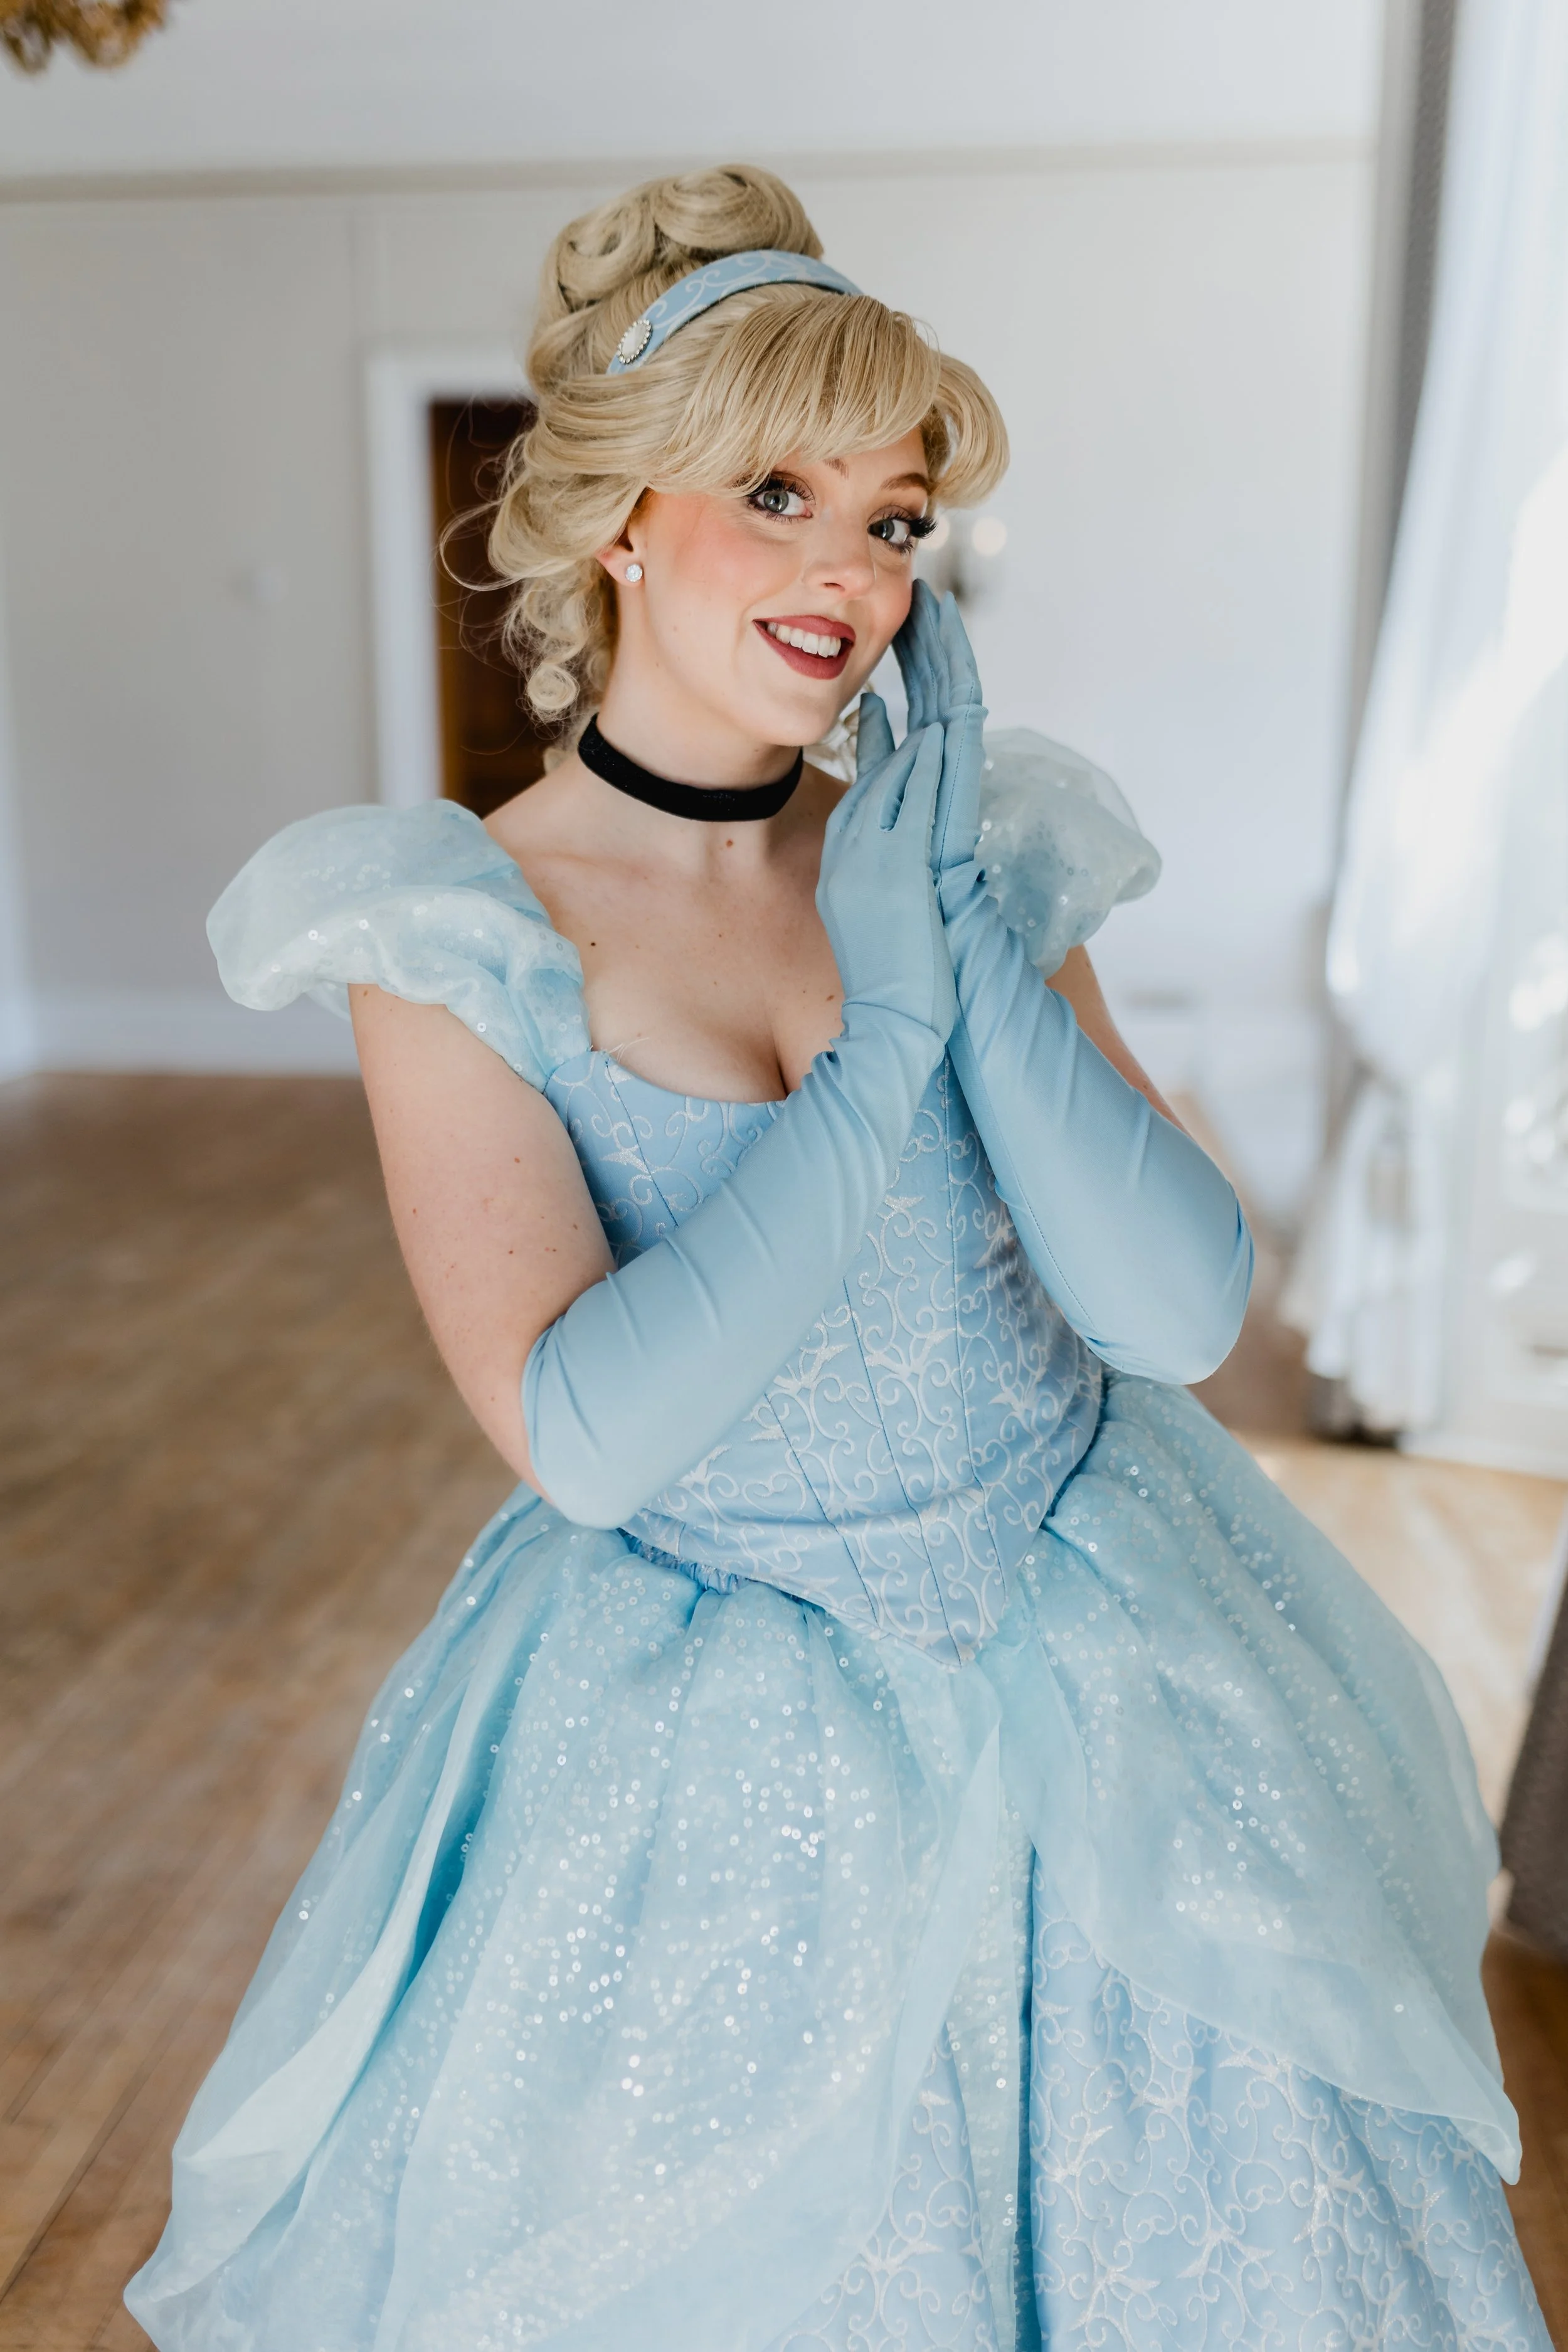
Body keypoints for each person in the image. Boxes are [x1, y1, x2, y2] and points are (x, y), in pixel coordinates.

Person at [127, 164, 1548, 2352]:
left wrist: (957, 931)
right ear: (621, 520)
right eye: (776, 495)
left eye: (893, 521)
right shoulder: (454, 927)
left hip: (1111, 1652)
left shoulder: (971, 855)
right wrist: (883, 1043)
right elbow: (587, 1435)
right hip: (720, 1727)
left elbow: (1174, 1313)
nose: (852, 574)